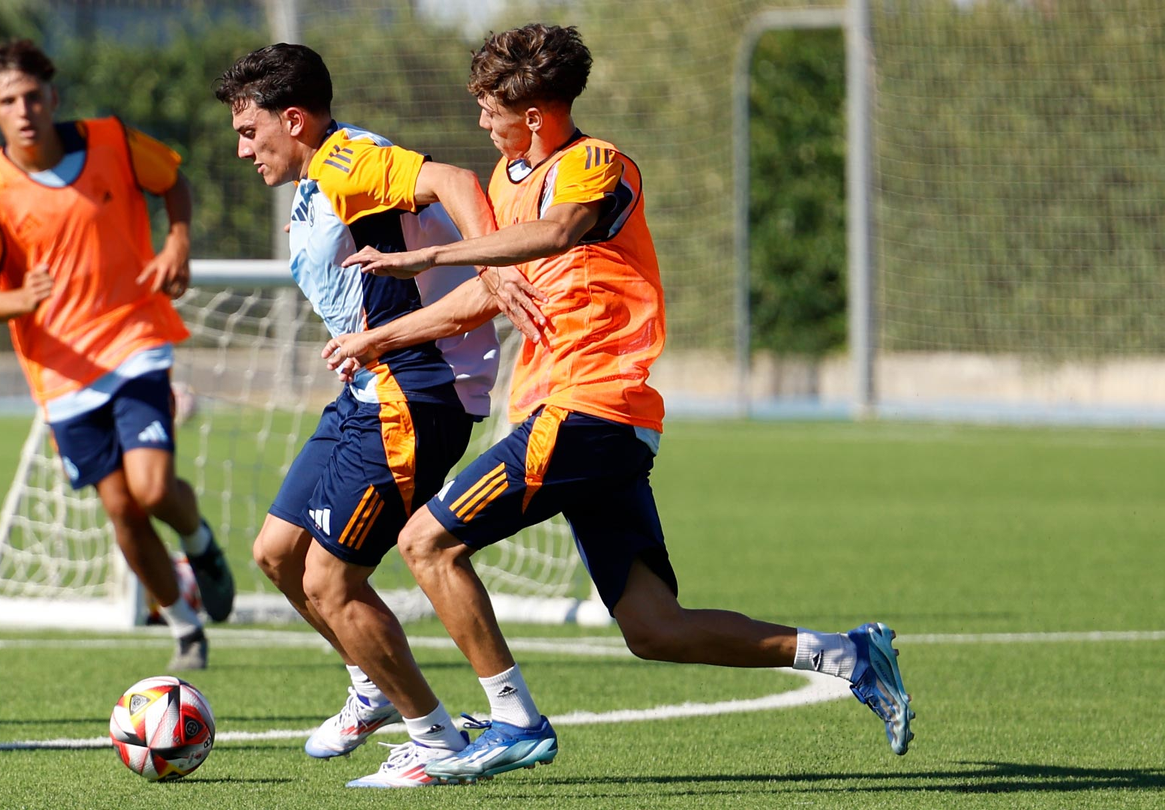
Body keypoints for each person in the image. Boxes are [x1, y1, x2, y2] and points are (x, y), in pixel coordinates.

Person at [330, 23, 914, 783]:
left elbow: (558, 231)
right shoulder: (508, 181)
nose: (481, 123)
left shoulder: (599, 165)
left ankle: (514, 721)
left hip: (590, 409)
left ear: (533, 114)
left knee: (425, 544)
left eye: (488, 108)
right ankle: (845, 653)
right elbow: (492, 290)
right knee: (652, 627)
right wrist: (385, 336)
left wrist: (433, 251)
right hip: (579, 421)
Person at [212, 44, 540, 788]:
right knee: (275, 553)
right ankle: (371, 680)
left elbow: (454, 179)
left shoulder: (349, 159)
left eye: (248, 130)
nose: (241, 149)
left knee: (332, 583)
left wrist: (493, 266)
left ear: (292, 119)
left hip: (418, 393)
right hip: (369, 390)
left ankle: (435, 738)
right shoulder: (313, 181)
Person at [0, 39, 235, 670]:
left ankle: (201, 544)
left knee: (152, 486)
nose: (23, 109)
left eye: (32, 96)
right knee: (121, 512)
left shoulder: (110, 139)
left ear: (52, 97)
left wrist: (178, 241)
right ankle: (186, 629)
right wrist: (17, 297)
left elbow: (173, 182)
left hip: (135, 338)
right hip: (62, 374)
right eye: (8, 101)